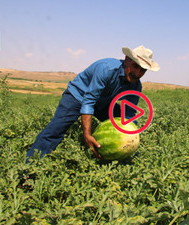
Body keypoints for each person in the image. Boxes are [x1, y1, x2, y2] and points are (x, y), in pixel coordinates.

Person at [26, 45, 160, 162]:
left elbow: (129, 114)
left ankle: (111, 157)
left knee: (124, 116)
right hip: (78, 95)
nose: (137, 73)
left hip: (103, 102)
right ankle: (30, 166)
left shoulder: (135, 85)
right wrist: (87, 134)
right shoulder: (106, 69)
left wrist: (131, 137)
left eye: (142, 70)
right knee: (55, 130)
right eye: (135, 66)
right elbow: (89, 101)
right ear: (127, 60)